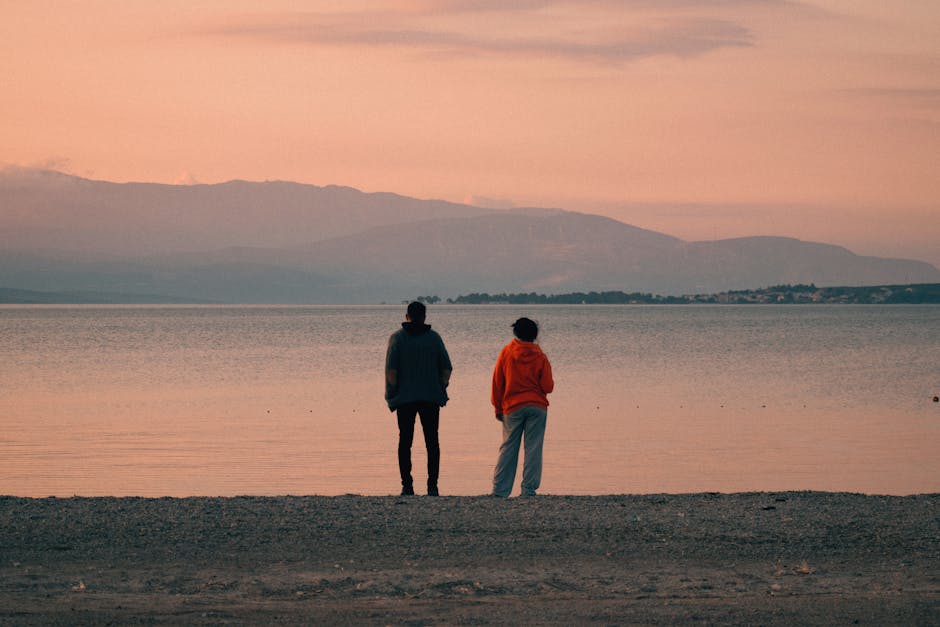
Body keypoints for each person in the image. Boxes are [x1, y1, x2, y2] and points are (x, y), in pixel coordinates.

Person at [385, 301, 452, 496]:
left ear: (407, 316)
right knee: (432, 441)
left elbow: (391, 371)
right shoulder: (434, 338)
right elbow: (447, 368)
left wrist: (392, 394)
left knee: (405, 441)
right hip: (430, 397)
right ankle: (433, 486)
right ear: (424, 317)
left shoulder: (397, 339)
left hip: (404, 398)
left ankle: (407, 485)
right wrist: (441, 388)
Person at [490, 317, 554, 497]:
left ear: (515, 332)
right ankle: (528, 490)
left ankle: (500, 491)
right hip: (537, 406)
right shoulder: (540, 355)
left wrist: (497, 407)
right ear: (534, 335)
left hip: (512, 406)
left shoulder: (507, 352)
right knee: (533, 448)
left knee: (508, 448)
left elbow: (497, 382)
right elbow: (548, 386)